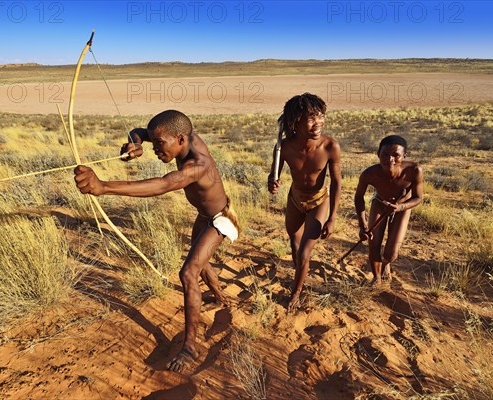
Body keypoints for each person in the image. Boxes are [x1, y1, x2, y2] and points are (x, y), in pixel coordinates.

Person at [74, 110, 239, 372]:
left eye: (159, 144)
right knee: (201, 262)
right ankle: (220, 297)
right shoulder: (178, 137)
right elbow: (141, 131)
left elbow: (162, 185)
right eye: (154, 143)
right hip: (204, 215)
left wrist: (103, 186)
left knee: (189, 272)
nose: (155, 149)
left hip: (221, 219)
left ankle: (190, 347)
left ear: (181, 139)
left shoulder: (198, 165)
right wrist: (135, 142)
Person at [267, 93, 342, 310]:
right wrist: (272, 183)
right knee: (294, 243)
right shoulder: (284, 147)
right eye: (311, 118)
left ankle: (296, 291)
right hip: (295, 198)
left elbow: (337, 182)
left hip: (319, 201)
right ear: (295, 122)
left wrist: (332, 218)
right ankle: (300, 271)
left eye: (320, 116)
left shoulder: (330, 147)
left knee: (304, 252)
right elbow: (274, 176)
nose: (318, 123)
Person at [354, 135, 423, 286]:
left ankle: (386, 265)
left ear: (404, 156)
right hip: (379, 204)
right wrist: (363, 225)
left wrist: (400, 207)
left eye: (396, 155)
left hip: (403, 208)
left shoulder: (414, 171)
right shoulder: (369, 174)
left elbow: (418, 197)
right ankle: (376, 278)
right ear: (378, 154)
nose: (390, 159)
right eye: (385, 154)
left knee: (391, 254)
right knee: (373, 243)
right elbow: (358, 197)